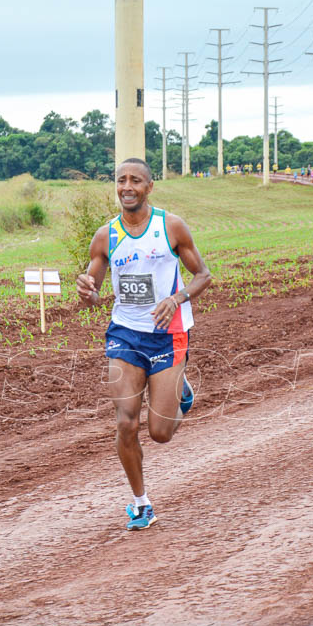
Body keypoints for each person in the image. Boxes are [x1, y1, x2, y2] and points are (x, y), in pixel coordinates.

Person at [76, 158, 212, 531]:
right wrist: (85, 289)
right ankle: (140, 503)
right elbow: (92, 289)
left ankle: (181, 391)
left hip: (168, 334)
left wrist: (177, 297)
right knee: (126, 422)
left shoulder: (170, 227)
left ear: (149, 186)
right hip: (124, 335)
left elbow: (203, 275)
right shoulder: (106, 236)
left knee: (160, 433)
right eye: (121, 180)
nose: (127, 187)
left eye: (136, 180)